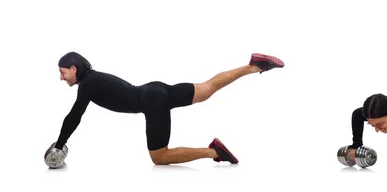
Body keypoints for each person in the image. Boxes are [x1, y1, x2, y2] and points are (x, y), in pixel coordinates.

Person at [54, 51, 285, 165]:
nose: (61, 78)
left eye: (63, 72)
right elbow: (74, 116)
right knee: (207, 88)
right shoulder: (92, 79)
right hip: (155, 90)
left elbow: (74, 117)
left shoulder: (87, 85)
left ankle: (214, 152)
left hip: (152, 104)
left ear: (74, 70)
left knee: (160, 157)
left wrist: (59, 145)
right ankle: (253, 66)